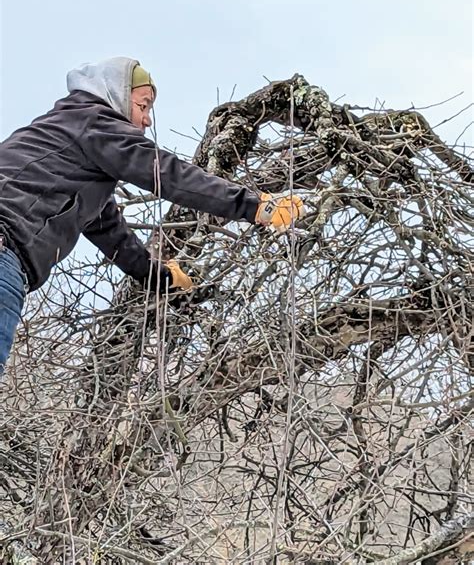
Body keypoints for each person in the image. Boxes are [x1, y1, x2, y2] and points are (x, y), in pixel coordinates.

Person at [0, 56, 304, 374]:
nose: (148, 121)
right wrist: (255, 205)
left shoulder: (70, 138)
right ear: (115, 93)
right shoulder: (95, 121)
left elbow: (107, 227)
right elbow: (166, 174)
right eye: (143, 106)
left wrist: (158, 277)